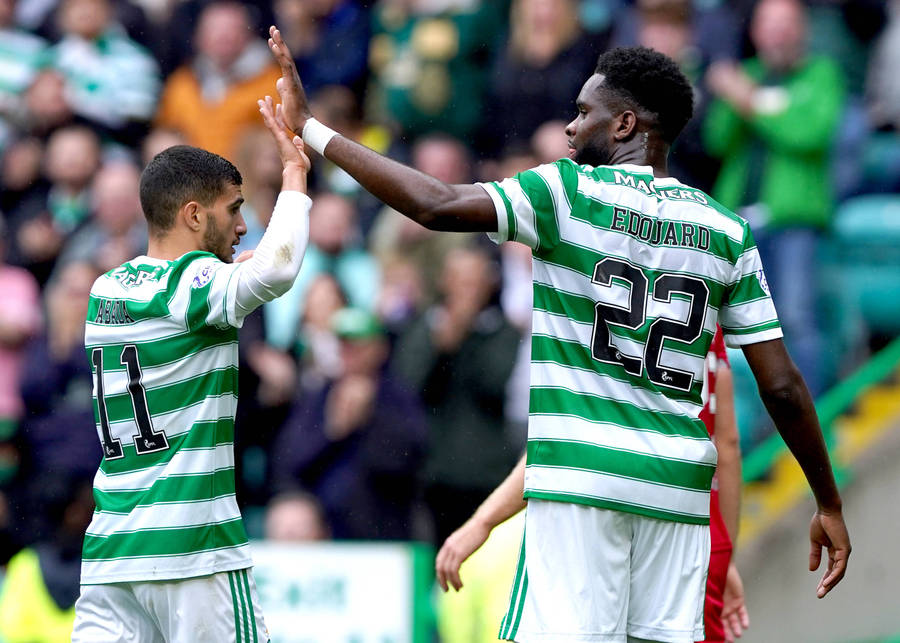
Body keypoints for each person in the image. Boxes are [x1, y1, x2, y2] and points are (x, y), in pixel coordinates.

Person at [267, 28, 850, 642]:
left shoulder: (563, 194)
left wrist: (314, 130)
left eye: (582, 113)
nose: (569, 129)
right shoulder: (727, 231)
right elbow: (781, 384)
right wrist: (828, 502)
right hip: (676, 492)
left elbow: (435, 205)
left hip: (579, 481)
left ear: (624, 125)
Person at [71, 94, 313, 642]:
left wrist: (237, 268)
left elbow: (211, 283)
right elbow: (277, 270)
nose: (245, 225)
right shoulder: (193, 285)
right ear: (194, 214)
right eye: (234, 209)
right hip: (191, 550)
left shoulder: (105, 289)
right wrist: (296, 177)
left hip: (112, 552)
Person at [433, 329, 751, 643]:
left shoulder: (613, 313)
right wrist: (725, 552)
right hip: (702, 528)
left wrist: (482, 521)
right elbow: (728, 442)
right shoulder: (709, 317)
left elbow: (562, 438)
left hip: (623, 520)